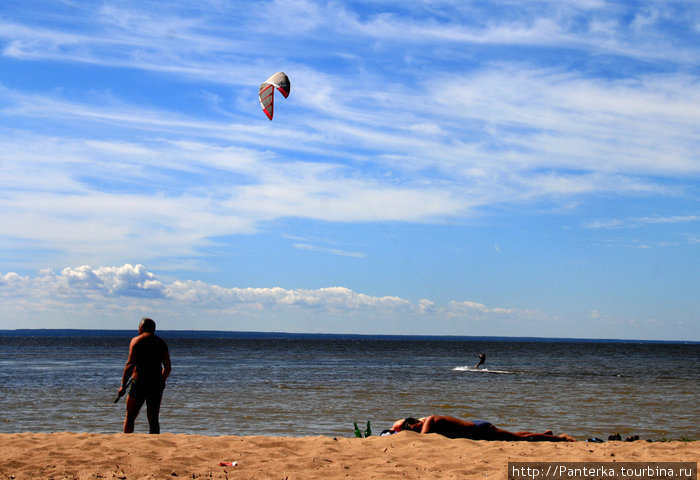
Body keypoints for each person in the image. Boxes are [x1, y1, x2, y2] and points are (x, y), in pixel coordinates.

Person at [118, 318, 171, 434]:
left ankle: (126, 440)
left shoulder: (136, 341)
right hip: (155, 384)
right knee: (153, 418)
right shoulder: (161, 343)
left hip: (139, 382)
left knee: (130, 415)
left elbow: (130, 364)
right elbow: (168, 367)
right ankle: (155, 442)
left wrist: (122, 385)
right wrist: (162, 380)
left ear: (141, 328)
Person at [390, 415, 575, 442]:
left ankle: (561, 438)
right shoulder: (425, 421)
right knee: (516, 436)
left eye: (413, 429)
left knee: (521, 439)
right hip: (477, 430)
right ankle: (546, 434)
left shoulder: (429, 421)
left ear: (416, 423)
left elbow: (425, 440)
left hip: (480, 430)